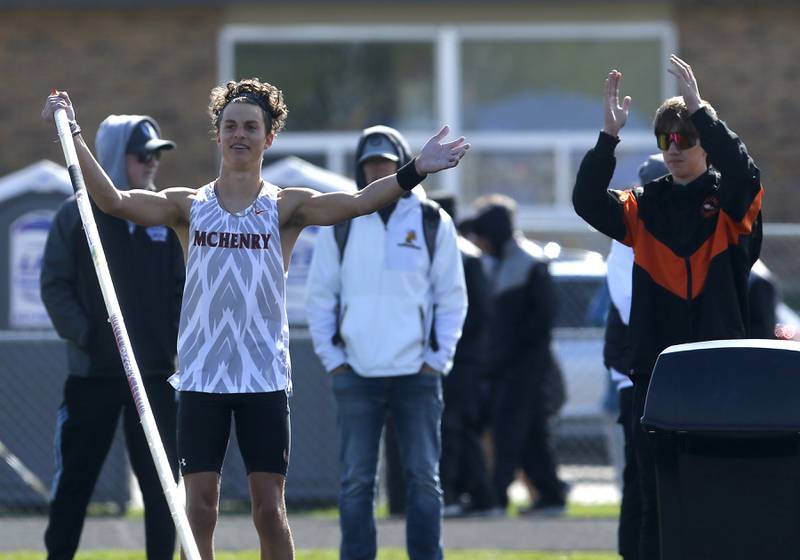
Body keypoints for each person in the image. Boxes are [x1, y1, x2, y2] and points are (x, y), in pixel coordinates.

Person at [42, 81, 469, 560]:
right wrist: (73, 134)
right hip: (203, 378)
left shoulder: (287, 206)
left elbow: (359, 202)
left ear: (269, 138)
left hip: (262, 378)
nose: (239, 134)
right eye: (230, 126)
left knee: (269, 509)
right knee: (199, 509)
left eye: (250, 127)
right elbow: (114, 202)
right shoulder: (188, 205)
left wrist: (415, 171)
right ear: (218, 135)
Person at [572, 55, 763, 559]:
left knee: (719, 499)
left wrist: (702, 112)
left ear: (704, 144)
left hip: (720, 376)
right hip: (656, 378)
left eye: (685, 138)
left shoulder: (731, 205)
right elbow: (587, 201)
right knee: (656, 502)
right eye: (665, 139)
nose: (674, 149)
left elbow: (747, 173)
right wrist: (608, 138)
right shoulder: (643, 206)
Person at [305, 126, 468, 560]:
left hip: (417, 374)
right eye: (370, 163)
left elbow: (452, 297)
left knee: (423, 479)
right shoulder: (340, 223)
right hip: (355, 373)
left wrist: (438, 359)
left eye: (385, 161)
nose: (378, 169)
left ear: (402, 164)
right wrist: (333, 358)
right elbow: (320, 297)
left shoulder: (433, 220)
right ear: (359, 171)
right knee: (357, 481)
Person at [41, 115, 183, 560]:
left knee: (164, 488)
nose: (151, 164)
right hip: (94, 377)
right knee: (75, 484)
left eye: (156, 156)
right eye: (142, 155)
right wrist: (87, 336)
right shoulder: (75, 215)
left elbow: (185, 288)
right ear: (113, 157)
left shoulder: (162, 214)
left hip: (157, 376)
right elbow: (54, 285)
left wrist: (178, 343)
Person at [468, 194, 568, 515]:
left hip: (524, 368)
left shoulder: (527, 264)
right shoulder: (507, 263)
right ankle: (550, 495)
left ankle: (496, 496)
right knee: (531, 434)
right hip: (509, 367)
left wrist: (506, 361)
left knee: (509, 430)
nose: (478, 242)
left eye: (482, 234)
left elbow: (541, 322)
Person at [603, 153, 668, 560]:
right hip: (639, 375)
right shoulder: (628, 232)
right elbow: (633, 305)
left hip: (668, 373)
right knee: (641, 478)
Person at [431, 195, 498, 519]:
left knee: (453, 427)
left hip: (461, 359)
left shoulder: (462, 256)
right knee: (458, 428)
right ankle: (479, 497)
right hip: (459, 357)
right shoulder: (455, 253)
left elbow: (476, 314)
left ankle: (457, 494)